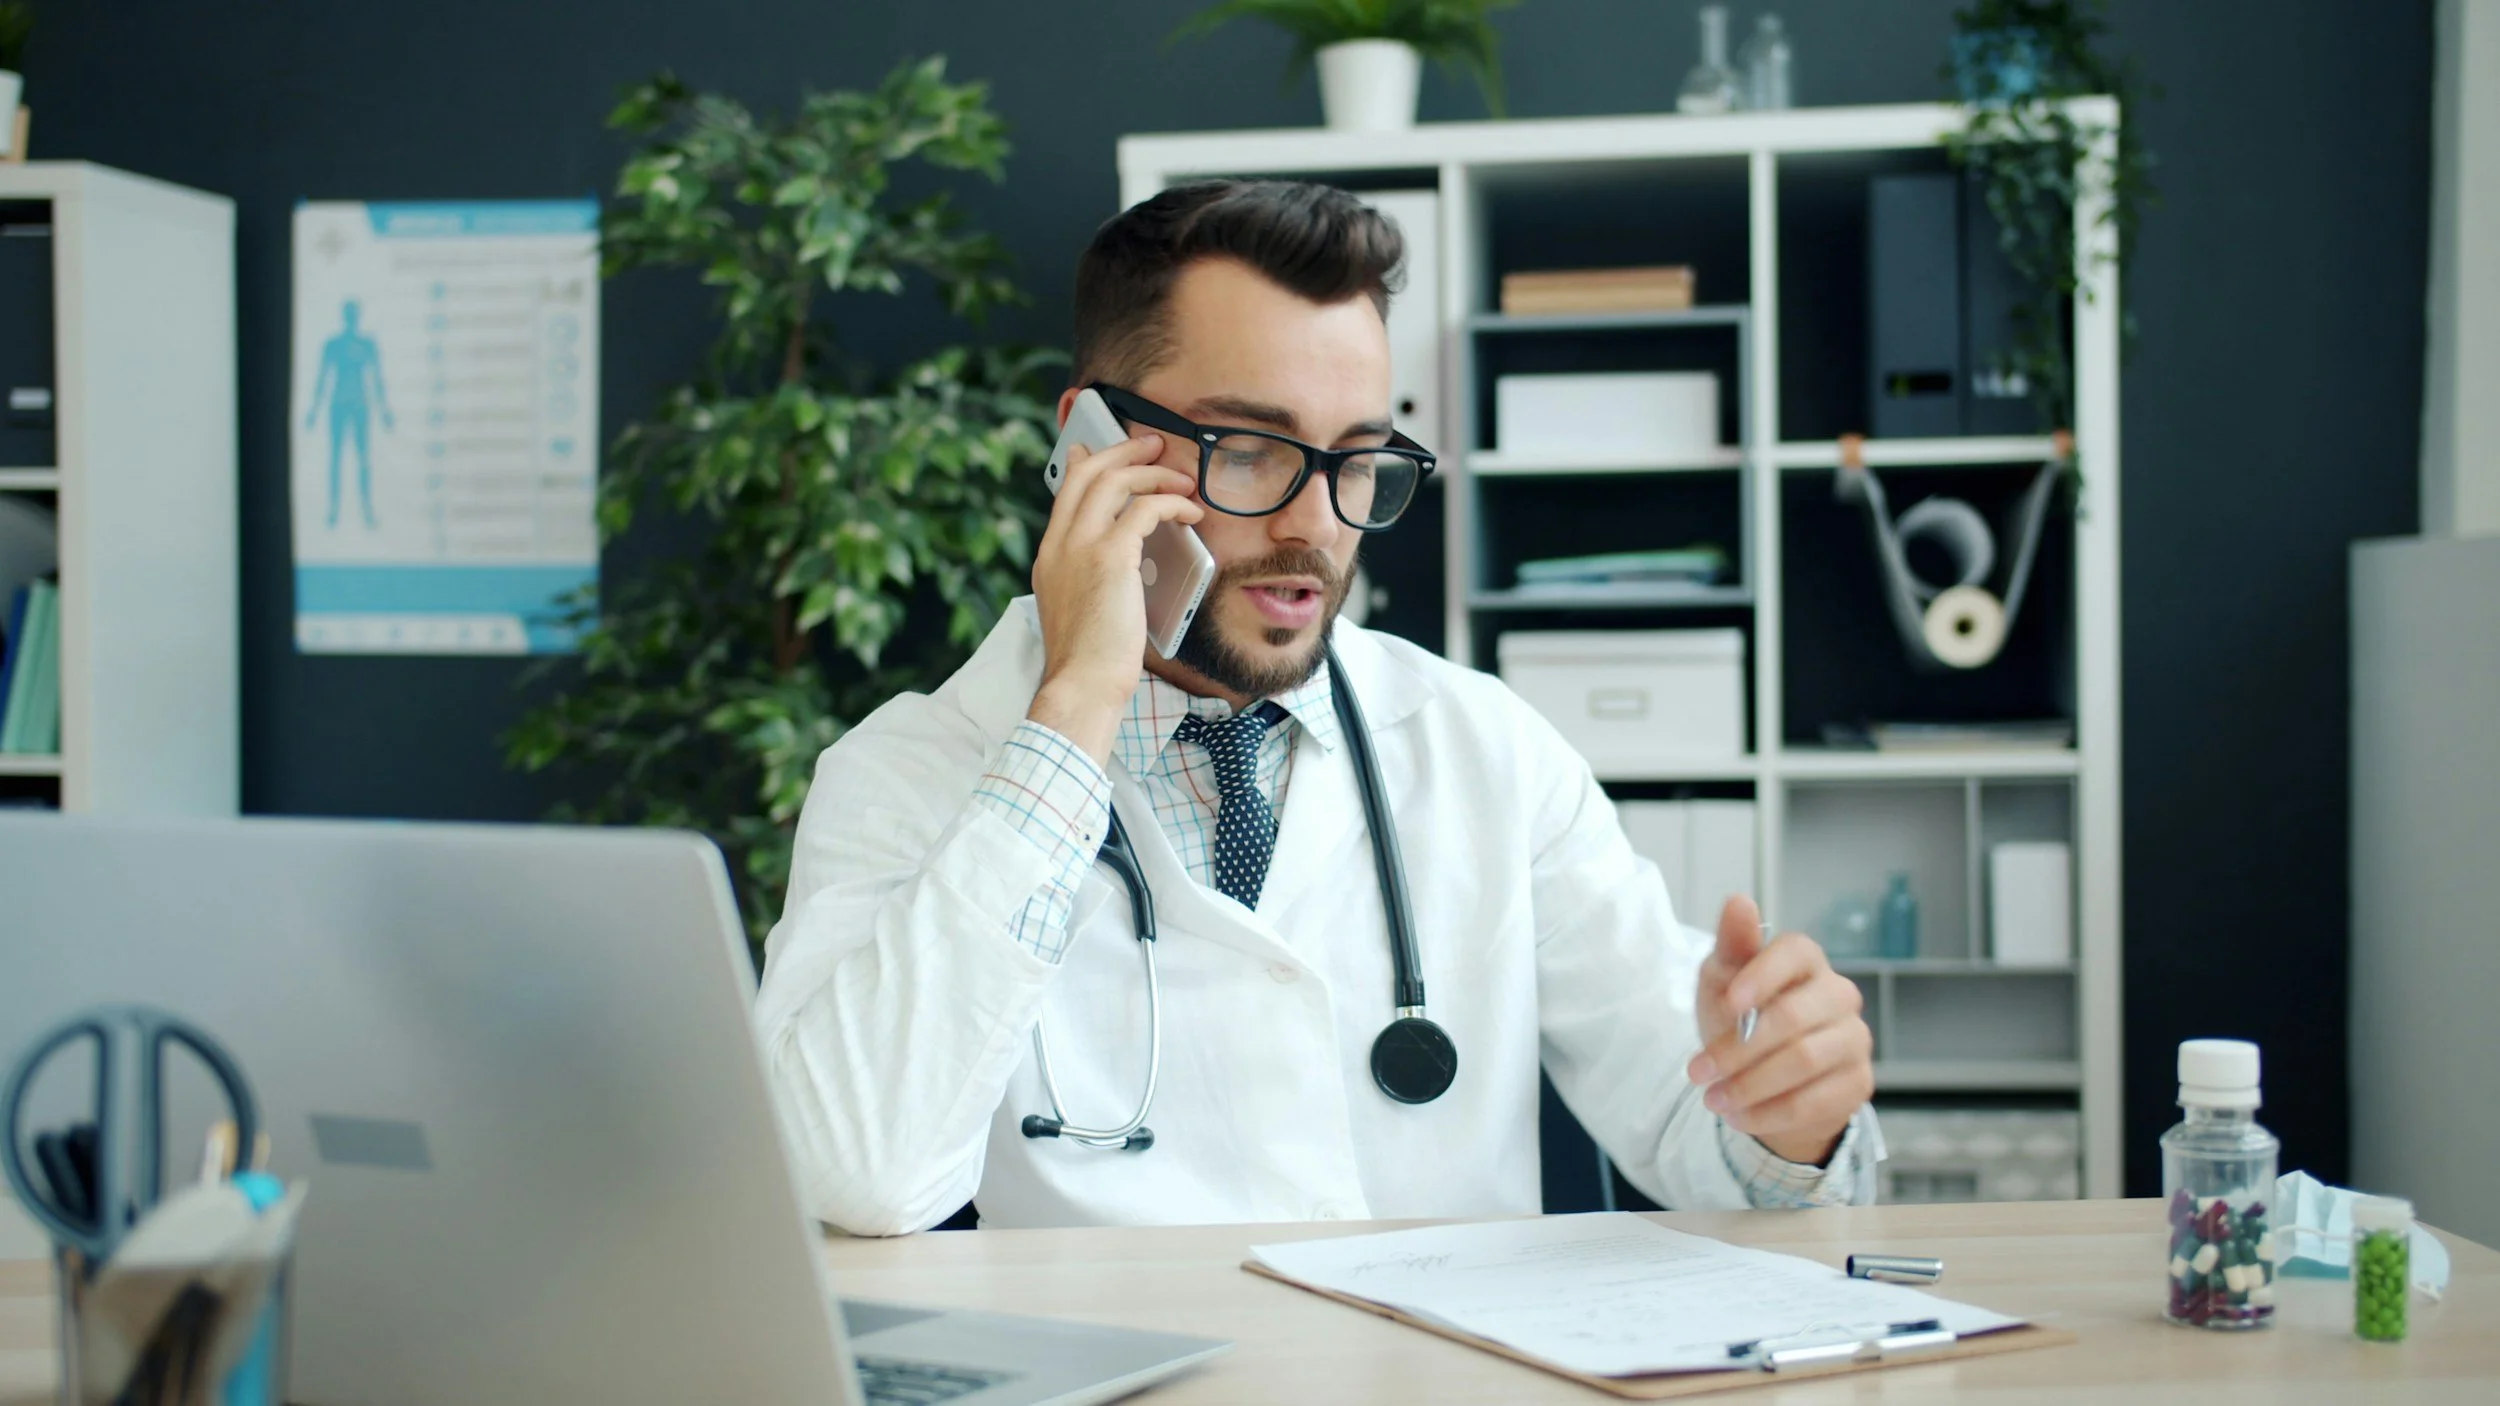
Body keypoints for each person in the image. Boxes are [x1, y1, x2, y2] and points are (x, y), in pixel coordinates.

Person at [755, 181, 1879, 1235]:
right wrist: (1074, 710)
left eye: (1355, 458)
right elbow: (852, 1168)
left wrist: (1789, 1109)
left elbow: (1703, 1134)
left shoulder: (1484, 751)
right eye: (1247, 448)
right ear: (1089, 442)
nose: (1313, 525)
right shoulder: (911, 769)